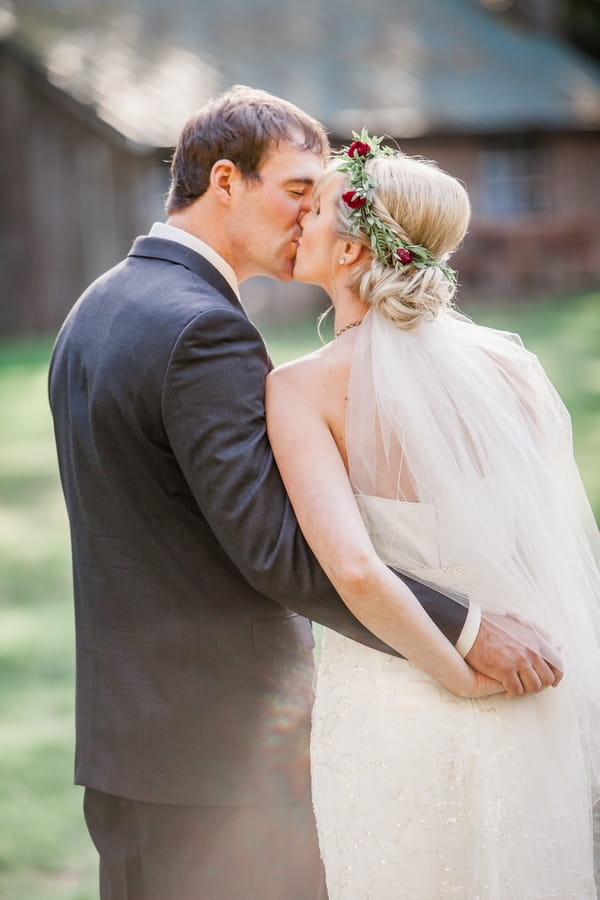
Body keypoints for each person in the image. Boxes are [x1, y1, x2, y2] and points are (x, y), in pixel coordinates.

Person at [49, 87, 558, 900]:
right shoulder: (202, 329)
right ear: (225, 181)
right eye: (297, 191)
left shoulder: (98, 306)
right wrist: (464, 628)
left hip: (126, 749)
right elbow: (279, 551)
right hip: (222, 761)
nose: (311, 216)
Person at [266, 133, 600, 897]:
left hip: (398, 701)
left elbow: (352, 567)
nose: (299, 224)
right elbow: (541, 547)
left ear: (351, 252)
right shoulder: (512, 369)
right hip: (528, 689)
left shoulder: (303, 390)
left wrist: (456, 672)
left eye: (313, 211)